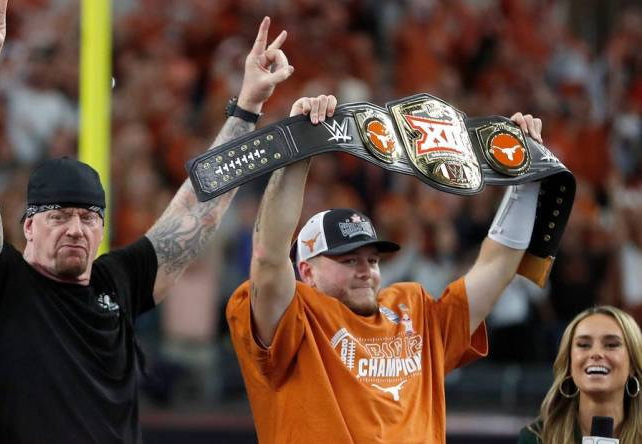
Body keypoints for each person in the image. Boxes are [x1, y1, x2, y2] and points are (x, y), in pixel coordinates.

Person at [0, 1, 294, 442]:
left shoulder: (117, 282)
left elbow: (193, 211)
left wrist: (246, 108)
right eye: (58, 216)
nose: (75, 228)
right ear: (28, 226)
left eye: (88, 217)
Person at [226, 94, 546, 443]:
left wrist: (525, 179)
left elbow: (497, 267)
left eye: (372, 260)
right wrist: (297, 148)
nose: (365, 270)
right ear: (306, 271)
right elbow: (268, 256)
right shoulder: (294, 318)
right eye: (348, 260)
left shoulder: (415, 310)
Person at [518, 306, 642, 443]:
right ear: (569, 364)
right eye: (583, 345)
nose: (596, 353)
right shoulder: (536, 437)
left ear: (632, 364)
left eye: (611, 345)